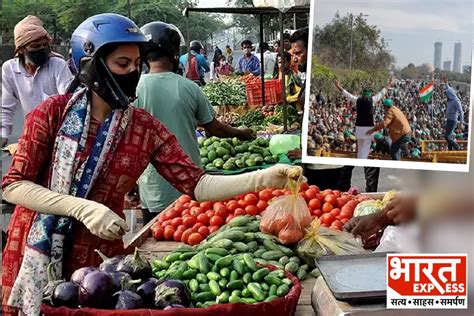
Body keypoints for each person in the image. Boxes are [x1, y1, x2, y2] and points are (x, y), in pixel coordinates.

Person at [1, 13, 302, 315]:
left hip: (98, 258)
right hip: (34, 248)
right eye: (122, 64)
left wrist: (262, 178)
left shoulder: (144, 128)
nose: (133, 72)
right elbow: (13, 185)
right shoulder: (51, 113)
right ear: (91, 65)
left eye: (137, 64)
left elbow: (197, 184)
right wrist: (80, 207)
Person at [136, 21, 255, 224]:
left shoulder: (135, 89)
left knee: (155, 244)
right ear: (174, 53)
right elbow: (215, 128)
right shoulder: (189, 87)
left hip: (152, 188)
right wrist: (240, 133)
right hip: (188, 184)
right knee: (191, 246)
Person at [1, 15, 73, 147]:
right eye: (35, 46)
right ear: (21, 49)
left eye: (45, 45)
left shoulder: (57, 64)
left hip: (60, 134)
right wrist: (3, 134)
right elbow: (7, 106)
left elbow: (68, 99)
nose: (41, 49)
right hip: (32, 134)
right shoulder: (9, 69)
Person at [335, 80, 391, 159]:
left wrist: (338, 86)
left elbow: (347, 94)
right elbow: (382, 93)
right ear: (369, 95)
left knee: (360, 147)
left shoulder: (357, 99)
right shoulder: (372, 100)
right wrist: (389, 84)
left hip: (359, 128)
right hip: (368, 128)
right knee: (365, 148)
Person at [441, 75, 465, 150]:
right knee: (449, 136)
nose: (446, 96)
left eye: (446, 94)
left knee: (447, 136)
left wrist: (461, 123)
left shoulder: (456, 101)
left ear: (449, 95)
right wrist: (446, 82)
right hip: (449, 120)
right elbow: (448, 88)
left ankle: (456, 147)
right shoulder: (451, 99)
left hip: (452, 120)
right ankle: (450, 149)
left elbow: (461, 112)